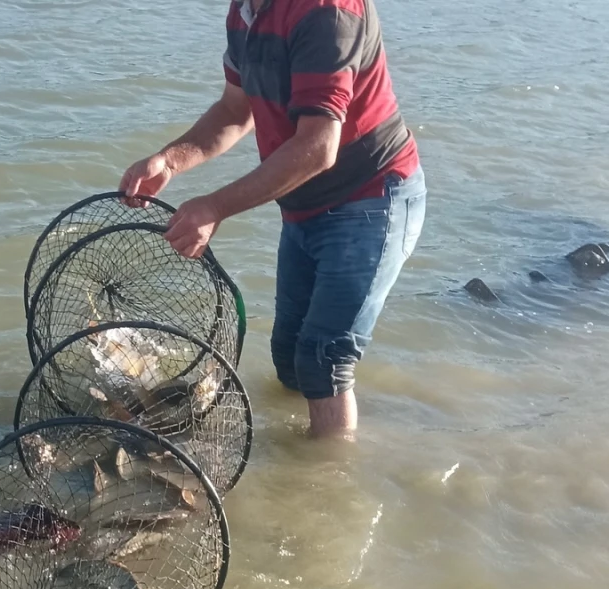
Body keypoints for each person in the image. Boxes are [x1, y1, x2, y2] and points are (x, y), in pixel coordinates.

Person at [119, 0, 426, 438]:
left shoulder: (326, 12)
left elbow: (320, 146)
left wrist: (215, 206)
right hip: (303, 207)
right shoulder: (246, 11)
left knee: (323, 359)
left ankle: (328, 487)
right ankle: (295, 467)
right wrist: (169, 161)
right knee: (289, 358)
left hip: (371, 199)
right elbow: (234, 111)